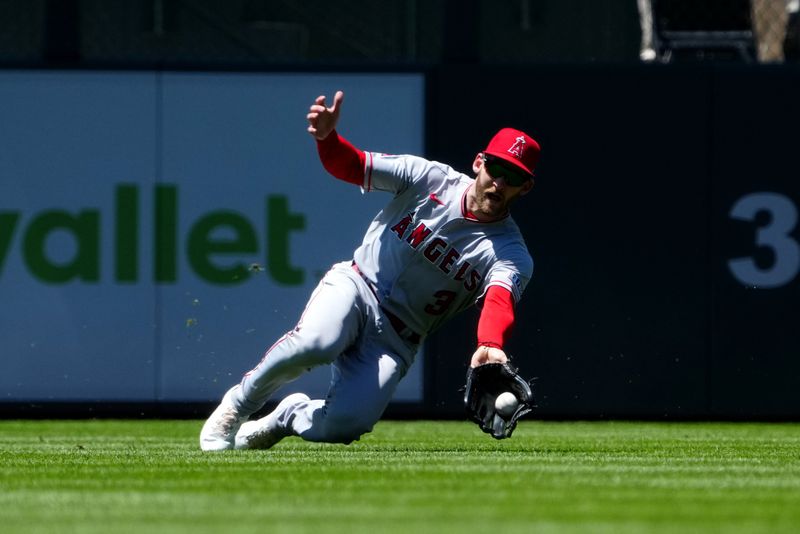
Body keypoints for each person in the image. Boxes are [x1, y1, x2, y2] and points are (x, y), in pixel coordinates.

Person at [199, 90, 541, 451]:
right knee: (317, 343)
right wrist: (327, 138)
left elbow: (499, 300)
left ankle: (288, 416)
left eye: (512, 177)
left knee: (346, 424)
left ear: (526, 187)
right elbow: (351, 165)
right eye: (496, 169)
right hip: (358, 286)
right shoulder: (429, 178)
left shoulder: (510, 251)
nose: (499, 183)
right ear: (478, 163)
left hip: (397, 338)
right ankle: (236, 406)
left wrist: (490, 343)